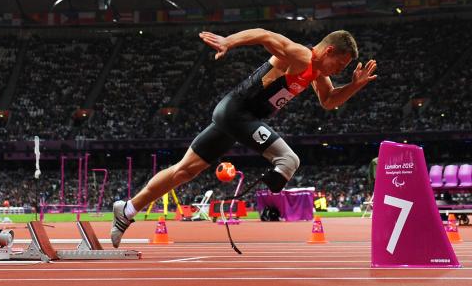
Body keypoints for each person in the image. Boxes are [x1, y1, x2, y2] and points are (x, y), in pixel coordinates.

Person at [110, 28, 377, 247]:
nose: (339, 70)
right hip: (237, 112)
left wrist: (354, 86)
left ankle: (127, 210)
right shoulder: (300, 55)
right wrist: (229, 41)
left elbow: (329, 102)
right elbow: (264, 34)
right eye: (340, 64)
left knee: (184, 171)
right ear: (329, 50)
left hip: (238, 121)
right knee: (288, 159)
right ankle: (271, 185)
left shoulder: (317, 73)